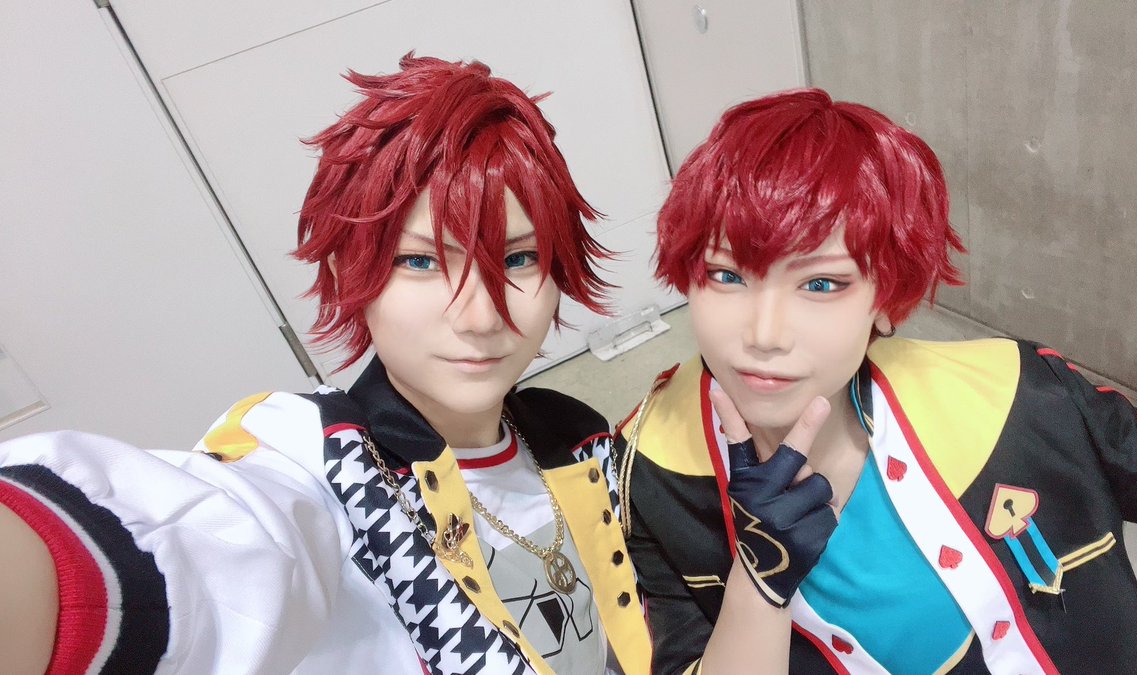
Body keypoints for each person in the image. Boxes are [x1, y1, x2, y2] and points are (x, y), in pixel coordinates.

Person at [0, 54, 650, 674]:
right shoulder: (330, 468)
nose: (480, 317)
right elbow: (184, 549)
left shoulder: (576, 437)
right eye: (421, 261)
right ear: (346, 273)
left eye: (517, 259)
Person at [615, 88, 1137, 674]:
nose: (764, 334)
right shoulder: (653, 473)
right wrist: (759, 586)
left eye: (820, 284)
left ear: (886, 300)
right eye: (725, 275)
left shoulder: (1016, 397)